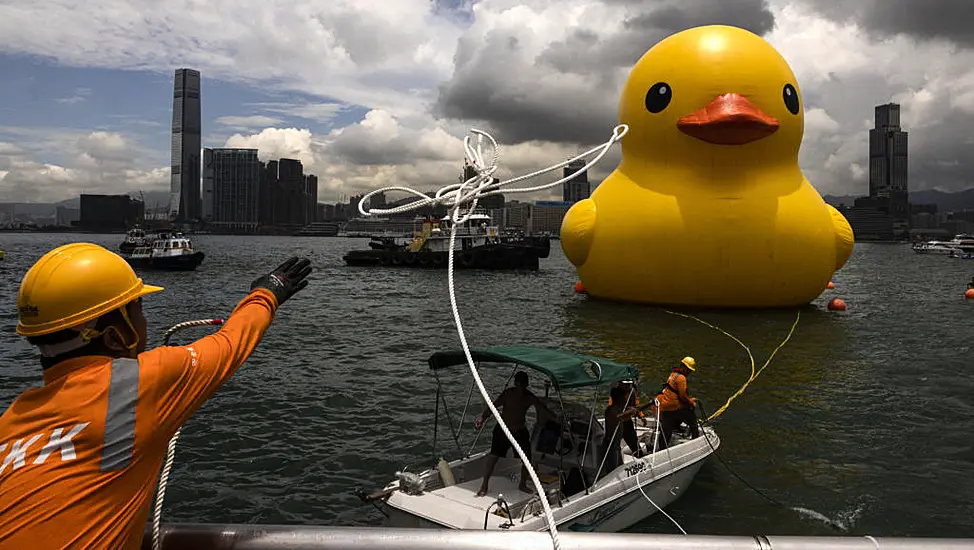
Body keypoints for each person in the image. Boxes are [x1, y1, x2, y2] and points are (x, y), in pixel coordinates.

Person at [0, 243, 311, 549]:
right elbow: (232, 343)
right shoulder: (140, 383)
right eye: (138, 311)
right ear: (114, 335)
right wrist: (268, 292)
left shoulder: (11, 420)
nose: (145, 322)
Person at [474, 371, 554, 496]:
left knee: (527, 459)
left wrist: (556, 418)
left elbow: (543, 409)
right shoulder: (508, 394)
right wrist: (482, 418)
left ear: (526, 384)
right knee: (493, 457)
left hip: (520, 431)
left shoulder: (530, 397)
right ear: (515, 384)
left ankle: (522, 483)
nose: (521, 387)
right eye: (519, 384)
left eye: (523, 384)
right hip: (503, 430)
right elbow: (493, 406)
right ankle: (484, 485)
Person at [654, 356, 700, 445]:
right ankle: (695, 442)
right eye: (689, 370)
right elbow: (682, 396)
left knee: (666, 432)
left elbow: (674, 392)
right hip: (675, 407)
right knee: (693, 422)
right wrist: (691, 403)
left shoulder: (673, 375)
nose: (689, 372)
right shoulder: (681, 378)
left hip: (665, 407)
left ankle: (661, 449)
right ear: (684, 367)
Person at [600, 386, 642, 476]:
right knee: (612, 470)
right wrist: (631, 411)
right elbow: (619, 416)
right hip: (610, 445)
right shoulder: (611, 410)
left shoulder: (618, 409)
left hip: (616, 445)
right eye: (624, 397)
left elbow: (625, 415)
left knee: (619, 465)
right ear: (619, 398)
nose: (625, 399)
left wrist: (637, 413)